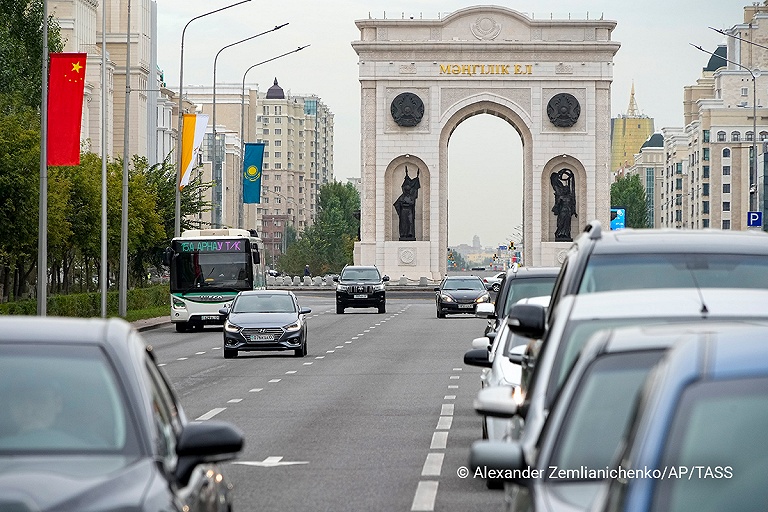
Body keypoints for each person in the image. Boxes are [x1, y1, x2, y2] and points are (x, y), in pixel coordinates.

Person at [393, 166, 421, 240]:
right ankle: (403, 235)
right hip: (403, 212)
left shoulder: (411, 197)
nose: (407, 191)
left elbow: (412, 203)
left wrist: (407, 204)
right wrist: (401, 205)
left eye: (408, 190)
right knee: (403, 224)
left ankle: (410, 234)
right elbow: (396, 204)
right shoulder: (402, 196)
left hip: (409, 211)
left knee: (410, 223)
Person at [550, 168, 577, 241]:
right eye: (565, 189)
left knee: (567, 224)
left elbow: (573, 205)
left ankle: (566, 235)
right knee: (560, 223)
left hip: (568, 211)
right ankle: (559, 234)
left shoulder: (570, 197)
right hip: (562, 211)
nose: (566, 190)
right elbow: (557, 205)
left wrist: (574, 211)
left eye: (567, 189)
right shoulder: (561, 196)